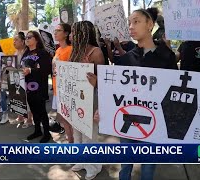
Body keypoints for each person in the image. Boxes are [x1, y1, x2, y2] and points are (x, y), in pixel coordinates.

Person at [115, 8, 178, 180]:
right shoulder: (126, 58)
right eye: (129, 23)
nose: (131, 27)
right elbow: (115, 92)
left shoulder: (167, 57)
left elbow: (175, 91)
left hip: (154, 124)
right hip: (127, 121)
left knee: (148, 169)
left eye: (136, 22)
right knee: (125, 166)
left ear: (150, 24)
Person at [69, 20, 105, 180]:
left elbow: (104, 81)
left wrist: (95, 80)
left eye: (73, 32)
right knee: (77, 133)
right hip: (76, 98)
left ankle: (94, 165)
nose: (70, 35)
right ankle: (81, 161)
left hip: (91, 99)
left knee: (89, 135)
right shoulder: (74, 52)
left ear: (82, 34)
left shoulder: (96, 52)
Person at [21, 30, 52, 143]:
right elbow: (22, 67)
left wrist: (31, 70)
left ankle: (47, 133)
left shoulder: (42, 53)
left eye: (29, 37)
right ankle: (37, 130)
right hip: (28, 87)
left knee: (42, 111)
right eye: (26, 37)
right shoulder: (25, 53)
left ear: (36, 39)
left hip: (39, 87)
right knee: (34, 110)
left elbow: (46, 70)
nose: (27, 39)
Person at [52, 23, 74, 142]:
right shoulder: (58, 49)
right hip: (57, 88)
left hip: (66, 90)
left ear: (66, 34)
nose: (55, 32)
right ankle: (69, 138)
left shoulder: (70, 50)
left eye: (58, 30)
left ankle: (72, 142)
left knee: (68, 118)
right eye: (55, 30)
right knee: (64, 118)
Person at [9, 32, 34, 128]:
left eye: (16, 40)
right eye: (13, 40)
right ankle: (20, 117)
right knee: (18, 98)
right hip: (17, 81)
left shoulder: (28, 53)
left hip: (27, 81)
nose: (14, 42)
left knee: (27, 100)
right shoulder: (15, 53)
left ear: (23, 41)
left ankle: (29, 119)